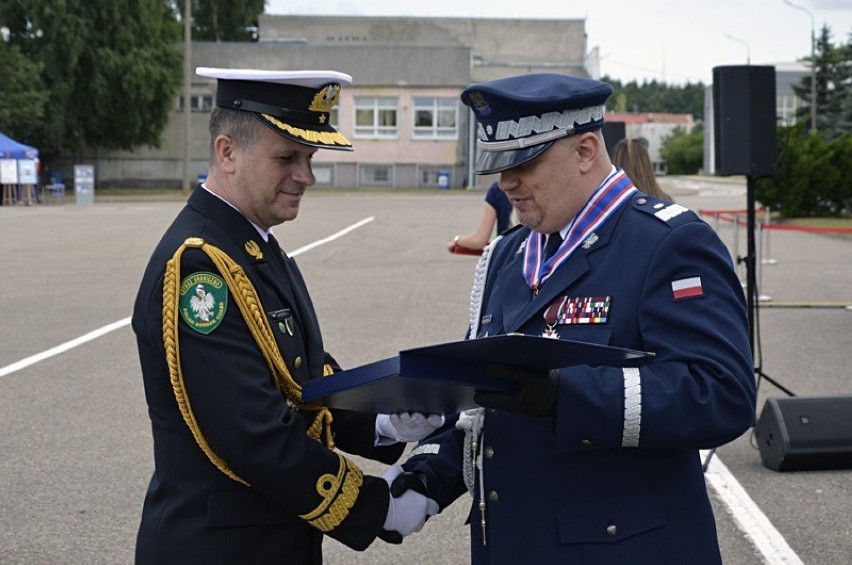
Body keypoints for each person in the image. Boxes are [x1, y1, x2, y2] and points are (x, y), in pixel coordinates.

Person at [394, 73, 756, 563]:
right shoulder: (510, 253)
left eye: (524, 164)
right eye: (500, 166)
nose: (506, 184)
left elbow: (722, 394)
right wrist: (428, 476)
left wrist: (565, 395)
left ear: (586, 151)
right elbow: (488, 400)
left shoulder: (666, 243)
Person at [132, 67, 442, 564]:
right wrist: (374, 507)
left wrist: (382, 420)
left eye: (310, 157)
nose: (307, 175)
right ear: (227, 153)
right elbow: (252, 431)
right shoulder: (200, 265)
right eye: (287, 158)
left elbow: (301, 376)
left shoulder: (251, 245)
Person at [447, 181, 513, 254]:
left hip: (508, 257)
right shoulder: (527, 188)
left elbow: (479, 241)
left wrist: (456, 240)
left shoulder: (497, 190)